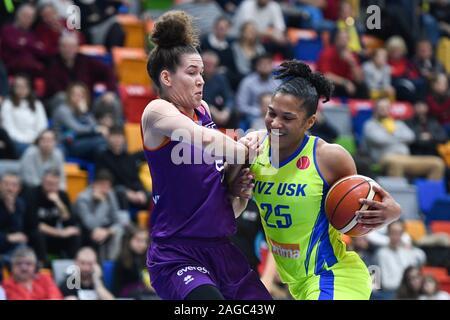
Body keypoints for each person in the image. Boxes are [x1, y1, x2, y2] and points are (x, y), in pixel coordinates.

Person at [238, 60, 401, 299]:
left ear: (309, 122)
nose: (275, 123)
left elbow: (363, 201)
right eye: (271, 113)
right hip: (298, 284)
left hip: (334, 274)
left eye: (287, 117)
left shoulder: (329, 157)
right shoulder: (254, 148)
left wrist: (391, 212)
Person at [143, 11, 271, 300]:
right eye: (191, 72)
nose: (201, 80)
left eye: (201, 72)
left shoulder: (204, 112)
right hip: (176, 253)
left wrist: (237, 186)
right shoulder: (157, 111)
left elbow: (229, 209)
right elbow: (205, 140)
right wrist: (244, 149)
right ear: (167, 78)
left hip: (220, 248)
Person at [74, 169, 125, 261]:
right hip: (86, 231)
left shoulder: (110, 194)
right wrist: (103, 203)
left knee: (120, 231)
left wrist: (108, 231)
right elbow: (91, 224)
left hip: (105, 229)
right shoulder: (83, 198)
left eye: (108, 186)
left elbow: (118, 221)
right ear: (94, 184)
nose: (105, 189)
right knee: (97, 235)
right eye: (102, 185)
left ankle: (110, 265)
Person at [1, 74, 48, 156]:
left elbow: (42, 126)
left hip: (36, 141)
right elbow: (8, 129)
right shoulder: (7, 104)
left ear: (29, 88)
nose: (21, 89)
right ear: (13, 88)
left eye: (24, 86)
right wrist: (26, 141)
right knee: (30, 151)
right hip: (16, 142)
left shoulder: (37, 104)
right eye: (18, 86)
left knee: (56, 149)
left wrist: (36, 140)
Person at [113, 227, 157, 299]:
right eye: (138, 240)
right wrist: (145, 286)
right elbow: (120, 287)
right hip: (126, 293)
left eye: (145, 241)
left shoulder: (146, 257)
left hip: (143, 292)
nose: (143, 244)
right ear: (129, 240)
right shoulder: (122, 259)